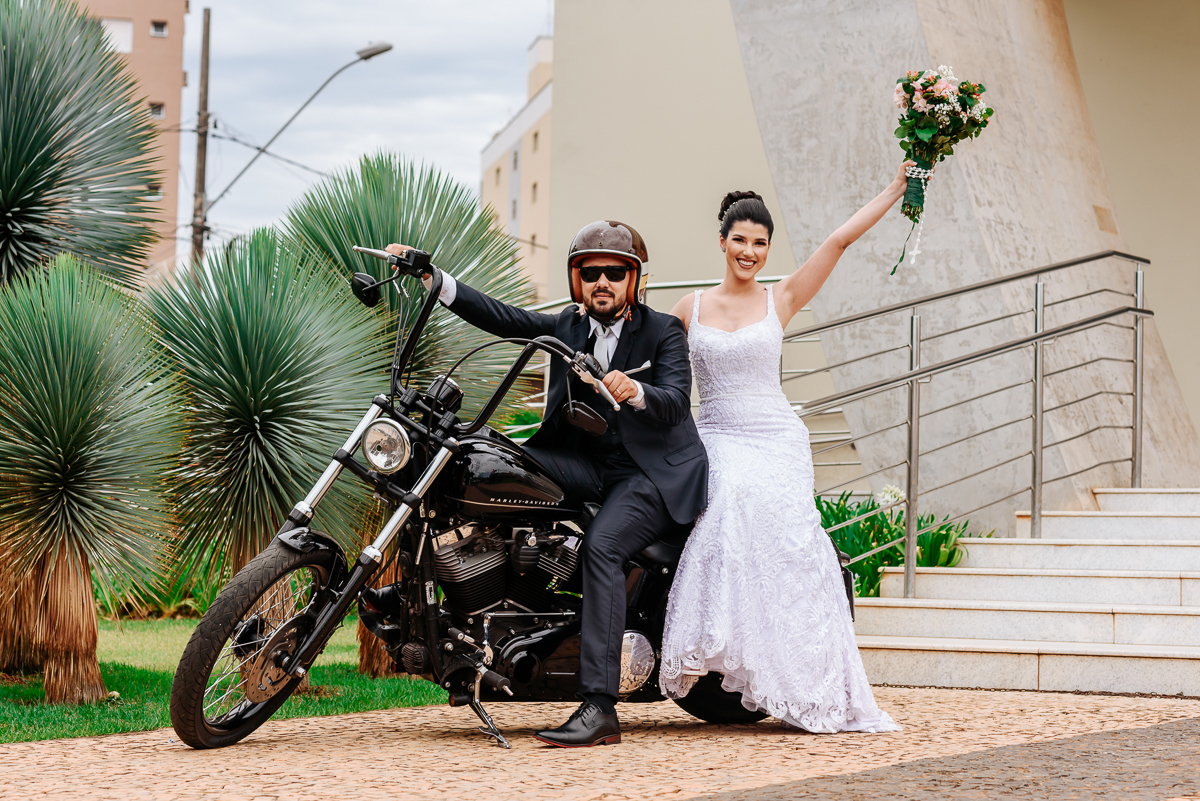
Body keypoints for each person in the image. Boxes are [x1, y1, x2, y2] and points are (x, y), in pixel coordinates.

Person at [380, 221, 708, 747]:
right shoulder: (568, 327)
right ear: (578, 281)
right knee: (478, 459)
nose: (603, 281)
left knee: (603, 547)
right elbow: (505, 318)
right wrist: (435, 279)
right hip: (582, 460)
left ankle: (600, 708)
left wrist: (635, 390)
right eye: (591, 272)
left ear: (635, 280)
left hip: (649, 472)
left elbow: (674, 400)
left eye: (615, 272)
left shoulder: (663, 330)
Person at [659, 162, 929, 733]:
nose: (749, 251)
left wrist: (896, 187)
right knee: (729, 503)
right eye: (740, 240)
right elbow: (653, 364)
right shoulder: (691, 308)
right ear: (723, 242)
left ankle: (798, 672)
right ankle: (734, 653)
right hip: (719, 434)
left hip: (775, 436)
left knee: (790, 542)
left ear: (768, 248)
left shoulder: (781, 298)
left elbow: (839, 240)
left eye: (759, 243)